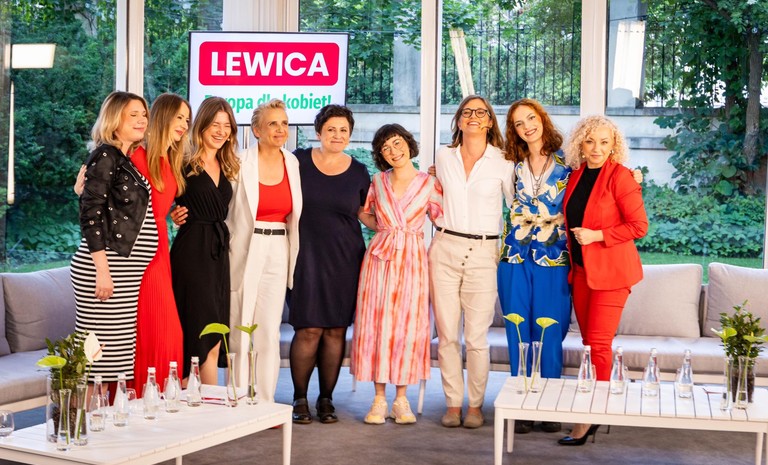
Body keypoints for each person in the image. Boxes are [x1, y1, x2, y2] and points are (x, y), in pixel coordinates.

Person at [559, 115, 648, 445]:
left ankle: (592, 415)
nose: (596, 148)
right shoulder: (576, 175)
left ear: (614, 146)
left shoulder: (621, 177)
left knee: (598, 344)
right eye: (590, 141)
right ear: (580, 144)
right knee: (589, 344)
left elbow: (639, 226)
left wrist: (597, 235)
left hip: (612, 274)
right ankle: (603, 399)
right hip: (582, 272)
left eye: (604, 142)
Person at [430, 95, 515, 429]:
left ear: (490, 121)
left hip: (484, 252)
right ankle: (453, 404)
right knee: (448, 335)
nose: (474, 117)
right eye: (467, 112)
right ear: (459, 120)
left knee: (477, 337)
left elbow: (517, 206)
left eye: (481, 112)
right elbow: (433, 191)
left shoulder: (503, 160)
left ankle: (476, 406)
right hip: (445, 248)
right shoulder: (443, 156)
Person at [350, 124, 442, 425]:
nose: (393, 151)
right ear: (381, 155)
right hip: (380, 258)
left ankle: (401, 399)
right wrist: (385, 228)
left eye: (397, 143)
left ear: (408, 144)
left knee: (407, 324)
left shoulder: (429, 183)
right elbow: (363, 212)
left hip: (413, 258)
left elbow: (443, 218)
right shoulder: (378, 181)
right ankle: (379, 398)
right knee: (377, 323)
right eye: (386, 148)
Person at [288, 105, 373, 424]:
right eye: (331, 129)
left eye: (343, 130)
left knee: (336, 329)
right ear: (318, 132)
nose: (338, 135)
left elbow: (364, 213)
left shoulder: (359, 171)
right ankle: (299, 398)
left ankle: (326, 399)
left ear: (350, 135)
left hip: (345, 258)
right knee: (308, 328)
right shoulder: (297, 161)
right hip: (305, 256)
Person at [71, 91, 157, 384]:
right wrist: (103, 272)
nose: (141, 120)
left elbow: (105, 204)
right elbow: (91, 215)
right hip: (107, 269)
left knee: (113, 361)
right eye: (133, 115)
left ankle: (97, 415)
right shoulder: (106, 155)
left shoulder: (122, 158)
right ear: (114, 119)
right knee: (96, 362)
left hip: (124, 273)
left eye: (143, 114)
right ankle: (81, 414)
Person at [498, 98, 571, 434]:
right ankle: (521, 404)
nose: (527, 126)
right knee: (517, 328)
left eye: (531, 118)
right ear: (513, 131)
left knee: (550, 329)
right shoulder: (509, 163)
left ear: (542, 119)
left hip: (553, 256)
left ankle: (550, 402)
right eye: (518, 123)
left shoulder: (569, 161)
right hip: (514, 256)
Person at [227, 99, 302, 403]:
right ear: (257, 130)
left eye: (284, 123)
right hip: (247, 245)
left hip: (279, 245)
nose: (280, 129)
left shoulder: (292, 162)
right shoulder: (239, 162)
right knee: (241, 325)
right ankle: (239, 397)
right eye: (273, 123)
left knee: (269, 329)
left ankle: (265, 400)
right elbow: (224, 208)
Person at [169, 97, 240, 383]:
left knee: (215, 332)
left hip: (218, 254)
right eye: (215, 125)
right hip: (192, 252)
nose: (221, 131)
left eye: (227, 126)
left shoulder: (227, 164)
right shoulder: (182, 161)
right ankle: (187, 396)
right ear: (201, 126)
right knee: (196, 330)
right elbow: (158, 195)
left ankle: (210, 402)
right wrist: (172, 212)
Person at [130, 93, 189, 394]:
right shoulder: (137, 157)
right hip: (141, 253)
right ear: (163, 117)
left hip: (161, 248)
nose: (184, 125)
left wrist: (172, 215)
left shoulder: (170, 161)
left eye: (187, 120)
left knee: (165, 332)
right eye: (179, 117)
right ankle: (140, 396)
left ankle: (158, 397)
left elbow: (159, 205)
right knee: (155, 330)